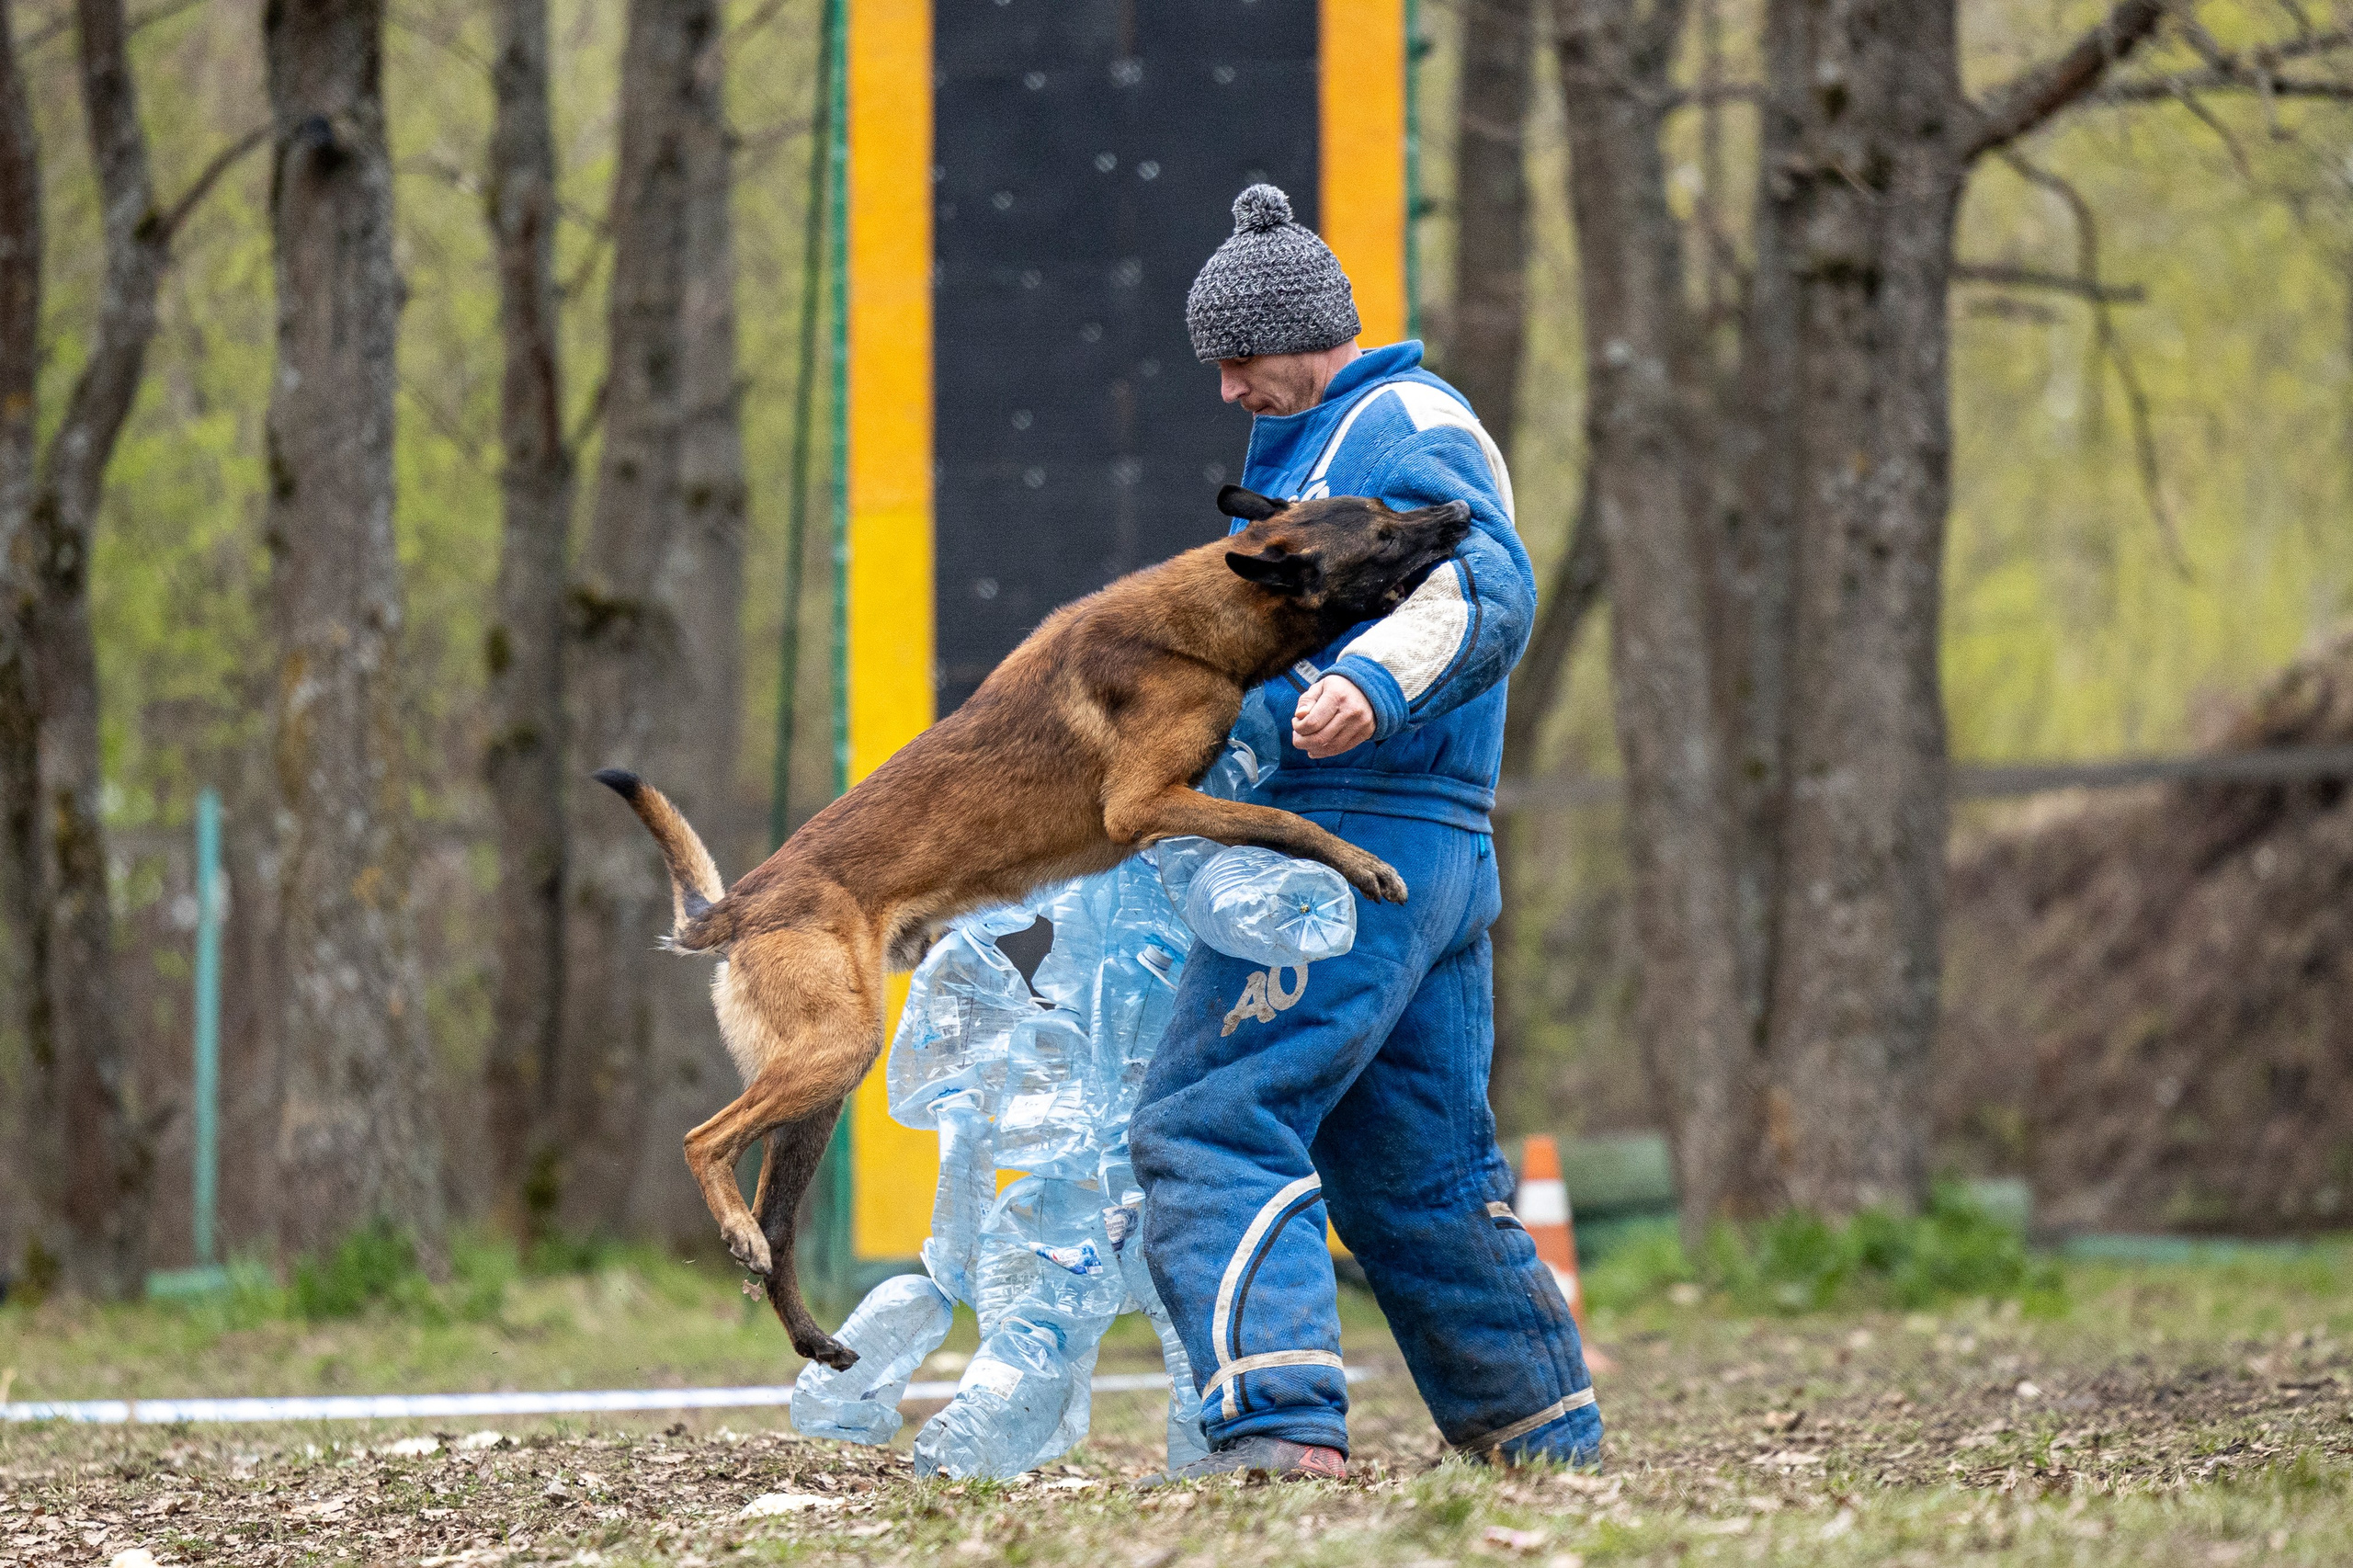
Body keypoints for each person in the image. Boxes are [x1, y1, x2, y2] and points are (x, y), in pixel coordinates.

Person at [1129, 183, 1604, 1483]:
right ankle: (1538, 1433)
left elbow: (1484, 581)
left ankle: (1279, 1428)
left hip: (1348, 834)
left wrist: (1369, 684)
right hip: (1433, 854)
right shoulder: (1324, 441)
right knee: (1418, 1165)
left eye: (1239, 358)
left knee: (1209, 1118)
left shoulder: (1399, 421)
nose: (1226, 389)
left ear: (1303, 331)